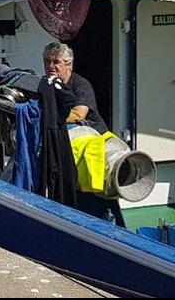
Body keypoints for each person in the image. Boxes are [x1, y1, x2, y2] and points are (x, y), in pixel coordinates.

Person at [43, 42, 124, 226]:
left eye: (56, 62)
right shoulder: (47, 85)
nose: (50, 67)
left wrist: (47, 114)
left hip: (96, 150)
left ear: (68, 65)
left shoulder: (81, 86)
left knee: (102, 198)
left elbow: (79, 114)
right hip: (71, 151)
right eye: (47, 62)